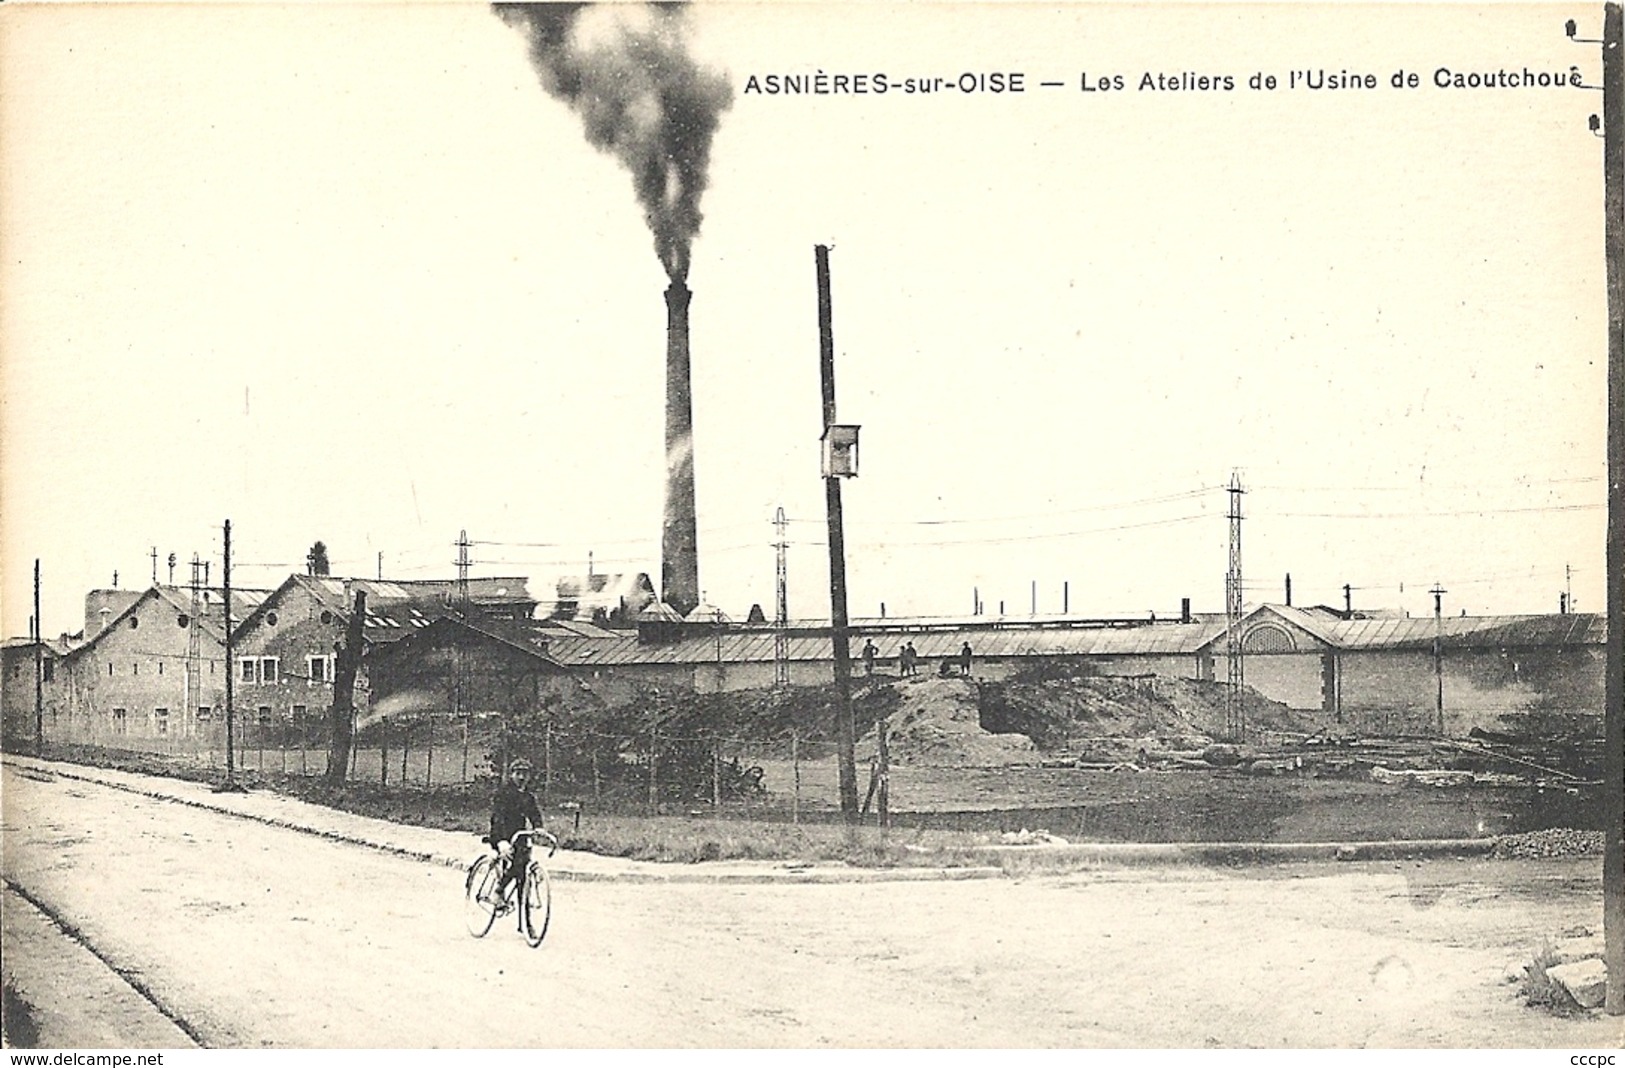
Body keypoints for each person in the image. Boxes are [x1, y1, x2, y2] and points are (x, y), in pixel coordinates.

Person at [486, 757, 543, 911]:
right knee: (519, 863)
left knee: (523, 875)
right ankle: (498, 890)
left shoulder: (528, 797)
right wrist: (501, 841)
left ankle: (524, 923)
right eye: (518, 773)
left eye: (525, 774)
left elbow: (534, 814)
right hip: (501, 834)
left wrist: (539, 827)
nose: (522, 778)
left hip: (519, 837)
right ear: (511, 774)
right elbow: (497, 818)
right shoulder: (503, 793)